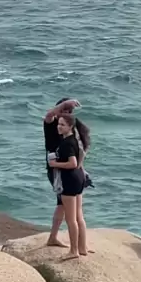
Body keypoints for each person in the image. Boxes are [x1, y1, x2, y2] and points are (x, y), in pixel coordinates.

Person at [43, 98, 91, 246]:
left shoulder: (71, 131)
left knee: (65, 207)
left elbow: (79, 153)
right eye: (62, 110)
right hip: (58, 171)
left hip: (67, 171)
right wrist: (64, 104)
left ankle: (73, 245)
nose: (64, 113)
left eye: (68, 112)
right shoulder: (52, 125)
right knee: (64, 206)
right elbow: (49, 115)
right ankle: (76, 245)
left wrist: (80, 168)